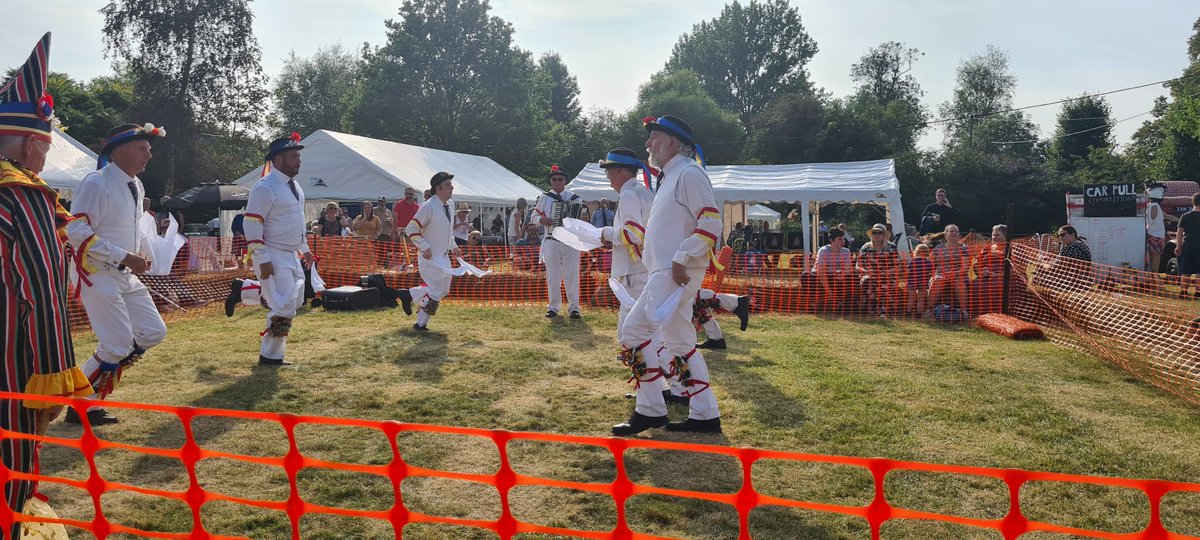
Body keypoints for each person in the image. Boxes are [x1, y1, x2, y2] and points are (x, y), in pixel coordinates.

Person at [0, 33, 94, 530]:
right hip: (9, 366)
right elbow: (40, 291)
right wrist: (52, 380)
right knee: (10, 474)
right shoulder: (23, 196)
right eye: (46, 145)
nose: (45, 159)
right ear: (28, 142)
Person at [612, 115, 723, 435]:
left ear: (672, 141)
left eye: (654, 138)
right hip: (669, 270)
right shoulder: (672, 176)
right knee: (680, 342)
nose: (648, 144)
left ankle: (650, 409)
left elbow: (711, 222)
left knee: (633, 332)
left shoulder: (688, 172)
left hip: (674, 272)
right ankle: (705, 414)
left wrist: (681, 257)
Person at [67, 121, 169, 424]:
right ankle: (81, 405)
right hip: (95, 270)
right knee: (117, 344)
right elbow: (75, 230)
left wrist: (145, 254)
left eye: (149, 149)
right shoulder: (96, 183)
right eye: (142, 149)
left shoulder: (136, 184)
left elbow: (134, 227)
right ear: (119, 151)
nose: (149, 155)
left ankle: (86, 396)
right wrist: (125, 256)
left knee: (153, 332)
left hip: (124, 272)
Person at [243, 132, 314, 366]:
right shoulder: (265, 187)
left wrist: (304, 248)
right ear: (278, 159)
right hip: (272, 252)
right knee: (284, 305)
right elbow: (251, 224)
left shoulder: (296, 187)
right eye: (294, 156)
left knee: (295, 300)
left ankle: (243, 290)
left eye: (299, 156)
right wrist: (262, 258)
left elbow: (297, 221)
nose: (299, 160)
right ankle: (270, 356)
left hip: (291, 253)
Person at [597, 148, 653, 342]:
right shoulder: (642, 192)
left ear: (620, 171)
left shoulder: (629, 194)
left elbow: (634, 234)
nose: (607, 176)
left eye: (608, 170)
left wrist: (606, 233)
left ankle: (640, 361)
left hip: (634, 270)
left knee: (630, 332)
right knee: (640, 328)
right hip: (641, 267)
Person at [404, 172, 462, 331]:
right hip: (429, 258)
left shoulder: (450, 204)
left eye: (451, 185)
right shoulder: (427, 207)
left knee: (444, 290)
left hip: (444, 257)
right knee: (436, 292)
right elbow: (411, 229)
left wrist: (453, 246)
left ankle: (409, 295)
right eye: (448, 185)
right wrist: (424, 246)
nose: (452, 188)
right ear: (438, 188)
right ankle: (420, 325)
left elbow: (447, 231)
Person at [533, 165, 583, 318]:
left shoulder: (575, 198)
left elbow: (581, 219)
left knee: (572, 275)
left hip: (570, 240)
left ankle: (574, 308)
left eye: (560, 179)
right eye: (554, 179)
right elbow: (533, 217)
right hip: (551, 239)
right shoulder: (544, 197)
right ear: (550, 181)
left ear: (565, 181)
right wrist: (542, 220)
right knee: (553, 276)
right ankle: (553, 307)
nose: (556, 182)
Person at [857, 223, 898, 315]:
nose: (876, 235)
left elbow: (898, 266)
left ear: (884, 235)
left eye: (879, 233)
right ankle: (868, 310)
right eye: (874, 233)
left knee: (886, 283)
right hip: (869, 275)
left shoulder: (892, 247)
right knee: (867, 281)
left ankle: (885, 311)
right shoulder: (866, 247)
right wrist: (866, 271)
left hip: (887, 275)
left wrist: (886, 272)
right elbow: (858, 265)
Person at [928, 224, 970, 310]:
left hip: (959, 275)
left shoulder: (964, 248)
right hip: (940, 274)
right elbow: (930, 264)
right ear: (945, 234)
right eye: (951, 231)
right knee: (937, 281)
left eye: (956, 231)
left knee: (959, 283)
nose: (954, 233)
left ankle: (963, 311)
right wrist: (932, 275)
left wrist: (955, 274)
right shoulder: (938, 248)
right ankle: (930, 309)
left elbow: (965, 268)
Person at [971, 224, 1009, 315]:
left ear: (1005, 236)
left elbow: (1014, 270)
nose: (995, 237)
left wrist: (996, 275)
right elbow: (976, 264)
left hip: (1004, 277)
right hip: (986, 276)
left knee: (995, 285)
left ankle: (998, 313)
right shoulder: (987, 248)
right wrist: (980, 273)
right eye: (993, 235)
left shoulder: (1010, 249)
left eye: (998, 235)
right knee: (974, 284)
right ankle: (979, 313)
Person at [812, 228, 852, 307]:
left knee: (854, 277)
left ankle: (843, 301)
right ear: (831, 240)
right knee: (806, 276)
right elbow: (821, 273)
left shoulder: (846, 251)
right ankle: (817, 299)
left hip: (837, 279)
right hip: (821, 278)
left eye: (844, 239)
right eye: (839, 239)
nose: (843, 241)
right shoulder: (823, 251)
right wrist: (830, 293)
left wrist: (843, 274)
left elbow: (848, 270)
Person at [1177, 193, 1200, 298]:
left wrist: (1178, 246)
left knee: (1185, 271)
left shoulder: (1185, 216)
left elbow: (1179, 232)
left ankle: (1183, 293)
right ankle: (1198, 294)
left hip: (1188, 246)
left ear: (1192, 202)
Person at [905, 244, 934, 316]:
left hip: (912, 282)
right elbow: (932, 272)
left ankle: (908, 312)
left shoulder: (912, 261)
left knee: (911, 298)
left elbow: (908, 271)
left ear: (917, 251)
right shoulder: (928, 262)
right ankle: (919, 313)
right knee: (921, 299)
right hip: (923, 282)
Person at [1146, 184, 1166, 273]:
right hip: (1156, 235)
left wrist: (1180, 220)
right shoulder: (1154, 205)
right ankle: (1155, 276)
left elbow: (1166, 215)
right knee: (1156, 257)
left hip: (1155, 234)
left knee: (1154, 257)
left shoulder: (1153, 205)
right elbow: (1153, 217)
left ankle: (1153, 275)